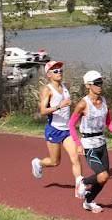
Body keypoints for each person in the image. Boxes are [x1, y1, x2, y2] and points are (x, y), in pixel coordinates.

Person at [68, 70, 112, 214]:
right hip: (89, 144)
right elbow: (71, 125)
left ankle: (88, 201)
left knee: (104, 178)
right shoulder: (83, 104)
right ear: (88, 85)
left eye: (101, 83)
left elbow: (108, 121)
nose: (100, 86)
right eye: (96, 83)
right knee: (103, 175)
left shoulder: (104, 101)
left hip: (101, 143)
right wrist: (78, 144)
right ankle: (83, 182)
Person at [30, 61, 83, 196]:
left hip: (67, 130)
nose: (59, 72)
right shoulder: (47, 90)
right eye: (55, 71)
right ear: (49, 75)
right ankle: (38, 163)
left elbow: (68, 108)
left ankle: (79, 187)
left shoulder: (65, 87)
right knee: (55, 162)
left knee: (75, 157)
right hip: (54, 129)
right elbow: (43, 111)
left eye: (60, 70)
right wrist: (60, 106)